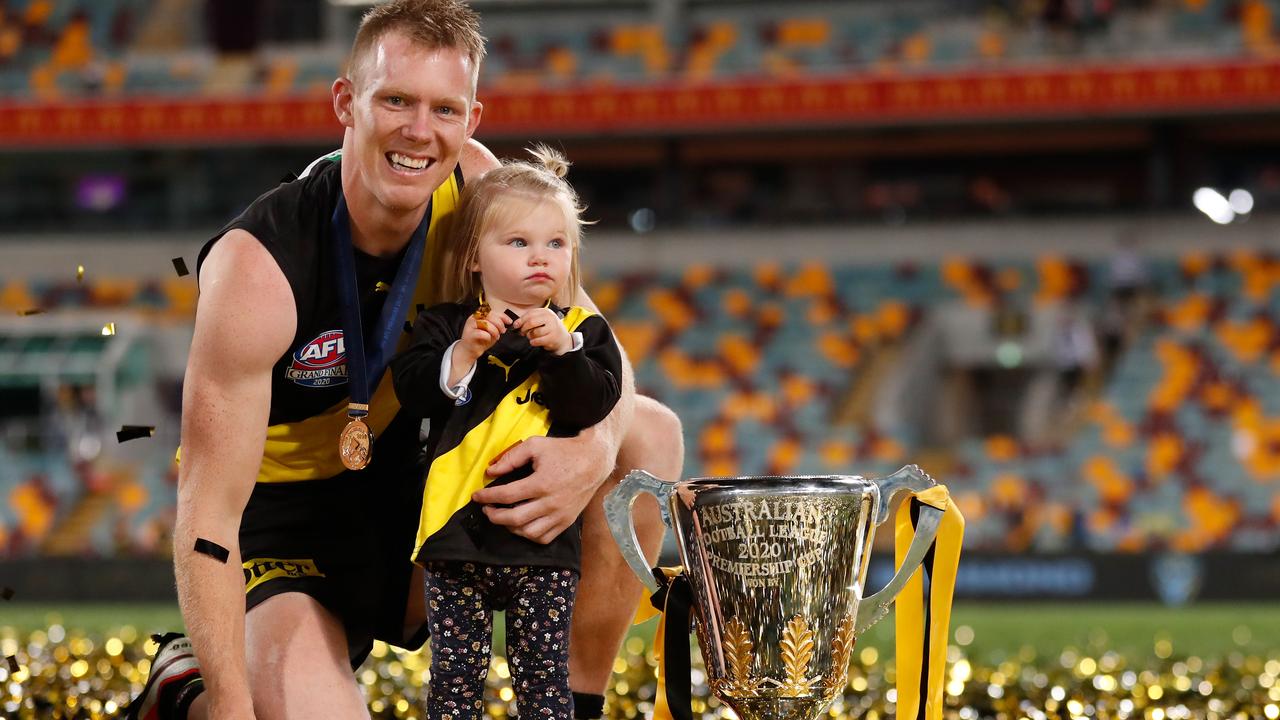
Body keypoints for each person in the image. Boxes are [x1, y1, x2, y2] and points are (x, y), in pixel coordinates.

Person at [122, 2, 682, 720]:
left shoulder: (480, 192)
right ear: (345, 103)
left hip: (415, 481)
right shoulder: (258, 264)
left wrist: (591, 450)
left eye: (443, 109)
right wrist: (233, 707)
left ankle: (575, 707)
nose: (420, 131)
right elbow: (207, 511)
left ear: (471, 120)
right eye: (395, 100)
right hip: (286, 525)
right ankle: (188, 688)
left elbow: (597, 342)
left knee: (646, 436)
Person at [390, 146, 621, 718]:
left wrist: (564, 354)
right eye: (518, 243)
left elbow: (596, 404)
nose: (539, 258)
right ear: (474, 256)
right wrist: (463, 353)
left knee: (543, 686)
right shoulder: (446, 323)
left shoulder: (582, 332)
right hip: (454, 539)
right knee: (453, 685)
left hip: (543, 548)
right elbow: (415, 388)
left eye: (556, 244)